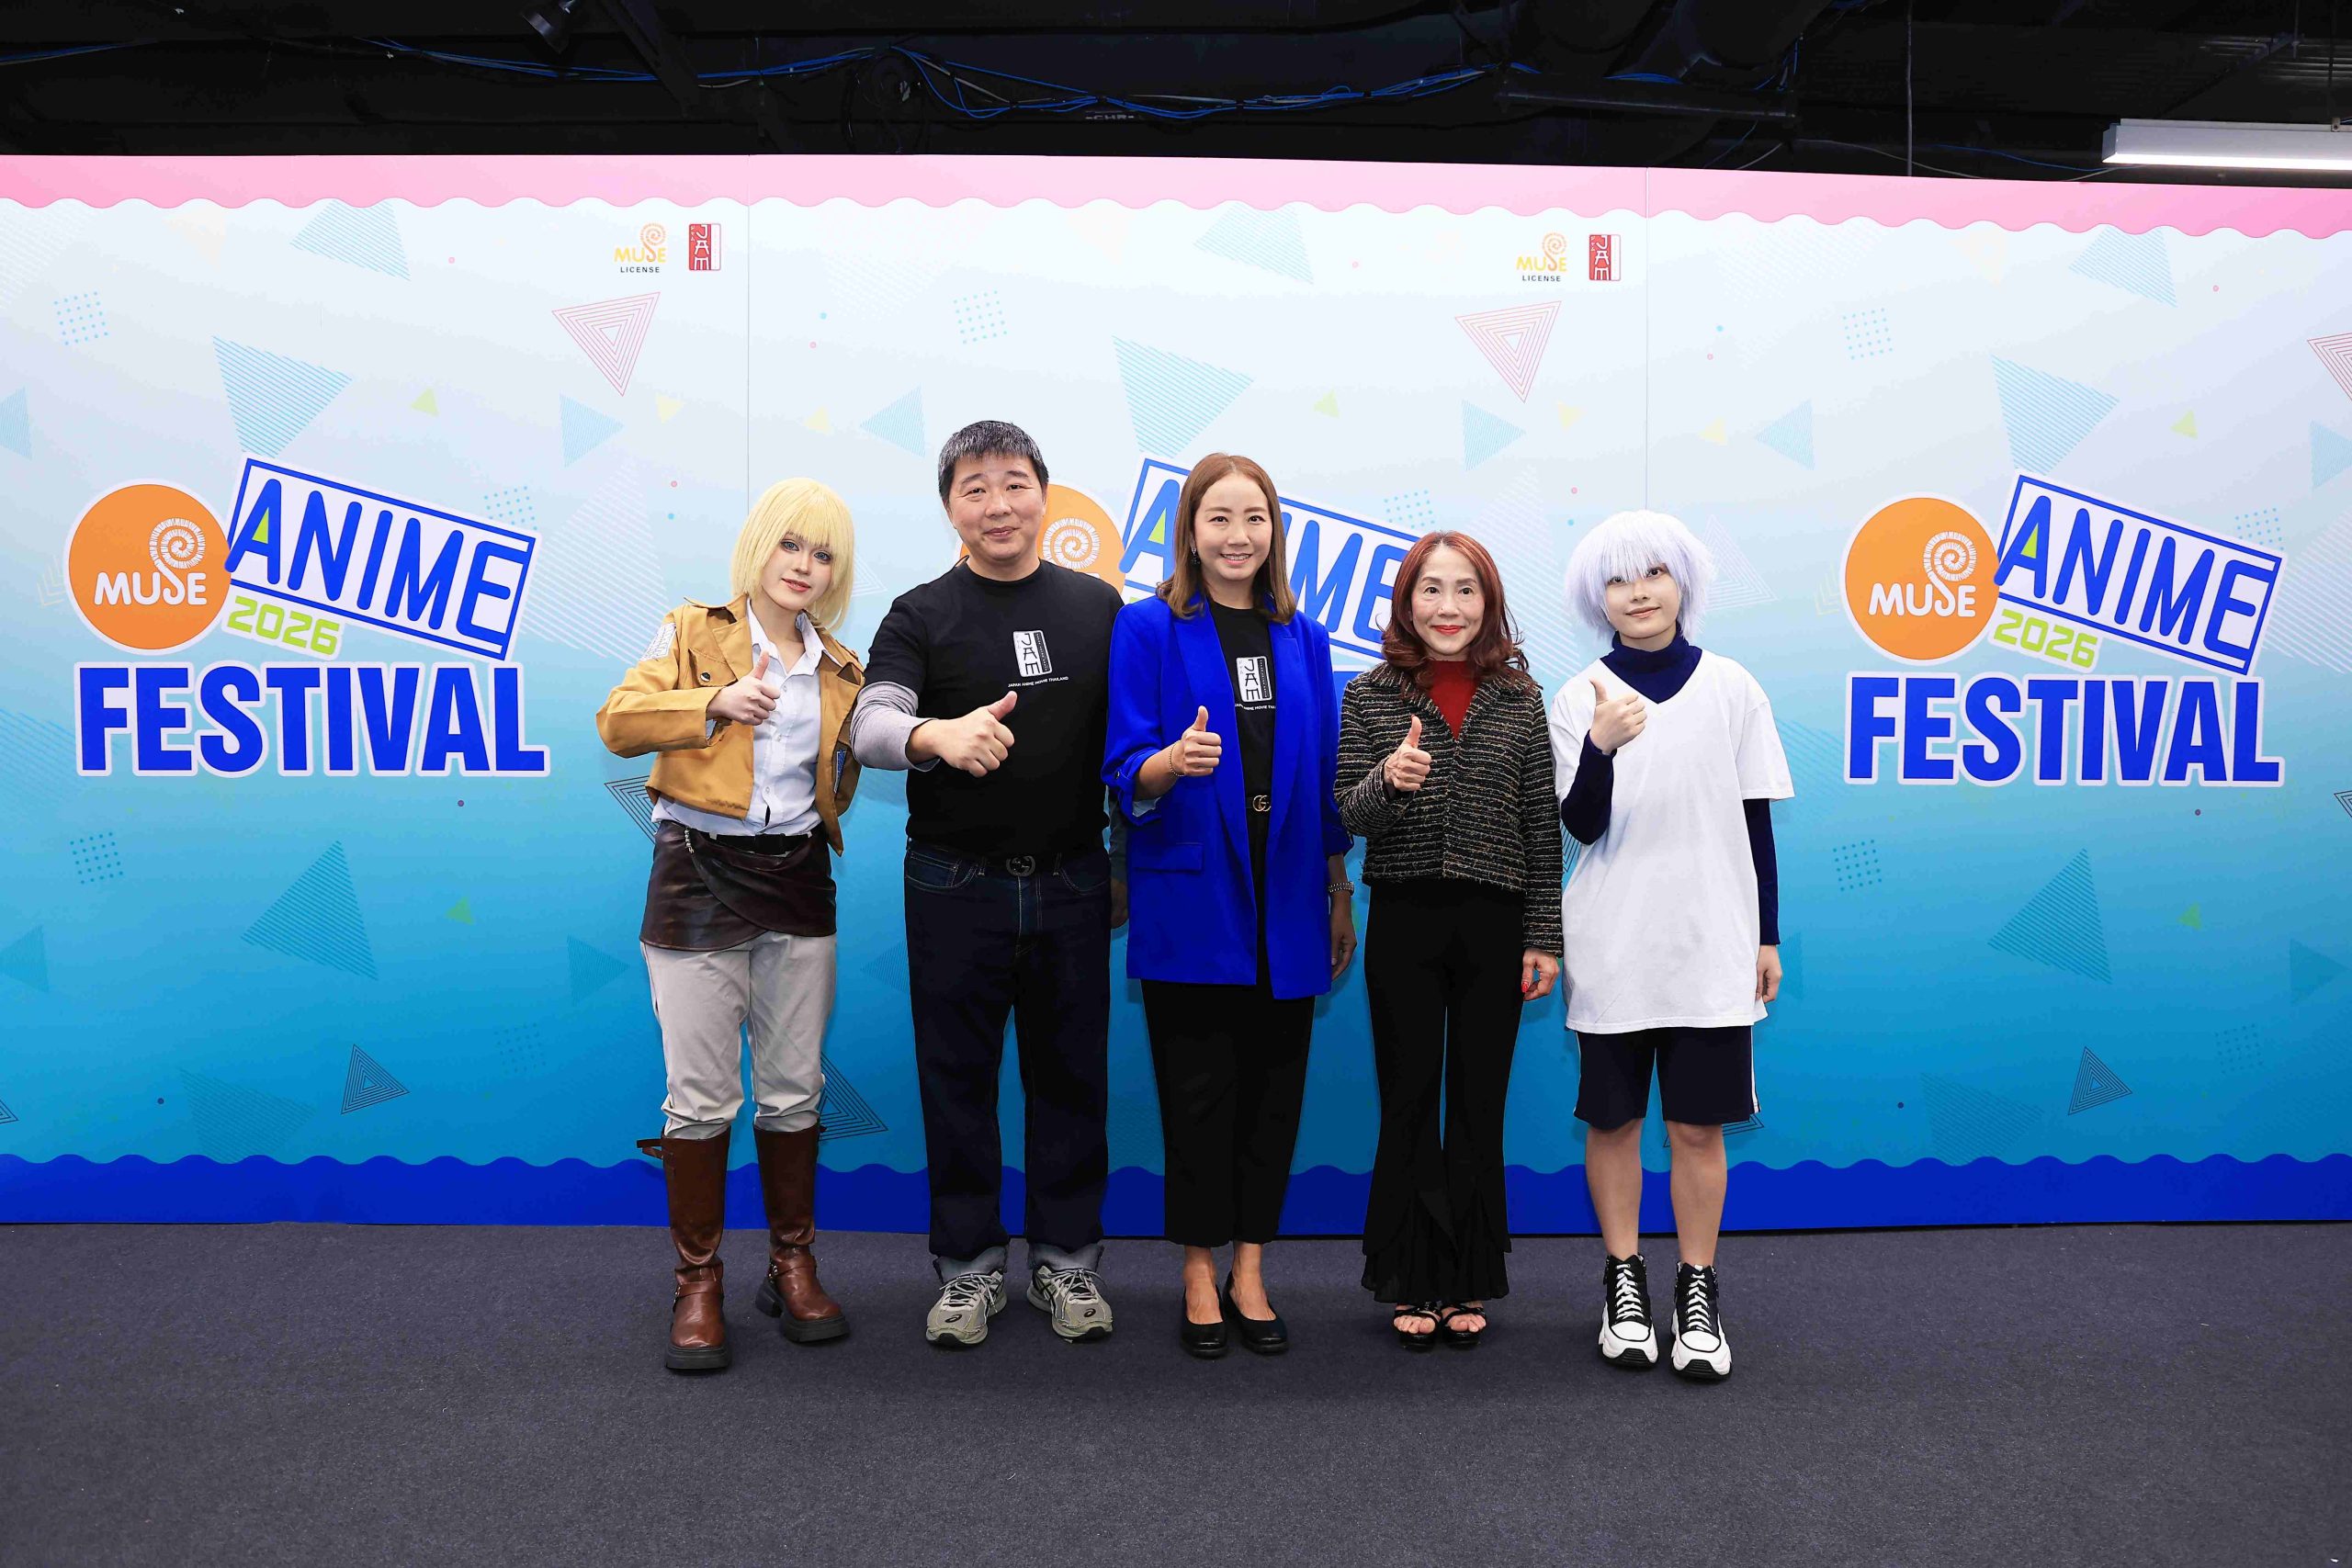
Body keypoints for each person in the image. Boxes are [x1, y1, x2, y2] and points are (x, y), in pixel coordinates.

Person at [846, 420, 1125, 1348]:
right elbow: (870, 725)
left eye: (1014, 483)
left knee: (1072, 1078)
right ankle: (968, 1270)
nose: (998, 504)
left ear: (1044, 494)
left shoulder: (1099, 607)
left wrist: (1128, 859)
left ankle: (1067, 1262)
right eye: (975, 488)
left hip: (1075, 882)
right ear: (949, 508)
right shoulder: (919, 613)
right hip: (953, 885)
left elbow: (1130, 746)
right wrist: (935, 735)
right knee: (956, 1080)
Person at [594, 479, 865, 1372]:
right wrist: (711, 705)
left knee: (794, 1092)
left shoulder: (843, 667)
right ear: (758, 546)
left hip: (799, 883)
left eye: (823, 554)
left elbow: (871, 750)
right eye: (791, 544)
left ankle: (792, 1264)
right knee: (701, 1098)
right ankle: (698, 1281)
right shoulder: (690, 630)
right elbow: (617, 722)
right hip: (697, 878)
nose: (804, 565)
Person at [1104, 453, 1355, 1359]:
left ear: (1275, 531)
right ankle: (1198, 1270)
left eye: (1255, 518)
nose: (1238, 535)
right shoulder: (1147, 628)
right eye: (1219, 518)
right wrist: (1169, 764)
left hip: (1288, 900)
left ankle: (1252, 1269)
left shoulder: (1306, 637)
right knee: (1198, 1098)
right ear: (1190, 531)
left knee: (1272, 1097)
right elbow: (1122, 767)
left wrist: (1338, 891)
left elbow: (1324, 780)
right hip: (1192, 901)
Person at [1548, 509, 1792, 1382]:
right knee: (1613, 1121)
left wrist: (1766, 933)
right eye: (1618, 579)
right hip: (1612, 944)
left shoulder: (1732, 687)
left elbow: (1756, 819)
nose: (1638, 592)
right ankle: (1623, 1281)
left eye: (1653, 573)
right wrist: (1602, 746)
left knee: (1696, 1125)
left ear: (1682, 582)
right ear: (1598, 599)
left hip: (1712, 943)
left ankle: (1697, 1288)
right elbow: (1579, 825)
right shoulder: (1578, 697)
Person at [1335, 531, 1562, 1350]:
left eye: (1466, 589)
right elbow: (1346, 812)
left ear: (1488, 602)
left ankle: (1467, 1275)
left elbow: (1541, 824)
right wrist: (1387, 781)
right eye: (1431, 589)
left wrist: (1544, 936)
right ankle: (1411, 1278)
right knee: (1407, 1098)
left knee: (1477, 1099)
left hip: (1495, 922)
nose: (1449, 606)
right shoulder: (1369, 694)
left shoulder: (1521, 698)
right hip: (1406, 916)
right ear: (1406, 601)